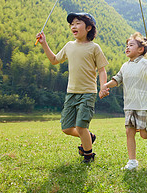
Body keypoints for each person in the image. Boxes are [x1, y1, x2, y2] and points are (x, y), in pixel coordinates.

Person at [36, 12, 109, 163]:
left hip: (88, 93)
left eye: (77, 23)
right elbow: (54, 60)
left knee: (81, 126)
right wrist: (44, 43)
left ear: (88, 28)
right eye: (71, 24)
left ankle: (88, 155)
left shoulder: (94, 48)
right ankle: (89, 137)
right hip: (71, 93)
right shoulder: (69, 46)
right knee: (67, 128)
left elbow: (102, 69)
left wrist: (103, 87)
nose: (73, 27)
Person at [101, 32, 147, 171]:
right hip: (129, 104)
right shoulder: (124, 66)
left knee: (145, 134)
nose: (127, 48)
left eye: (131, 45)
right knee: (129, 132)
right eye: (126, 45)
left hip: (144, 105)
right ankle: (132, 162)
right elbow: (117, 80)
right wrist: (105, 86)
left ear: (140, 49)